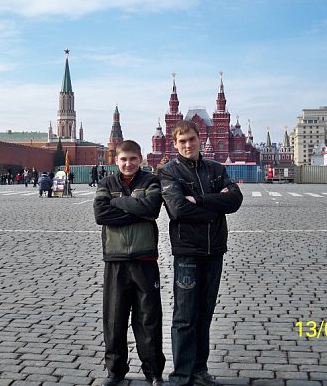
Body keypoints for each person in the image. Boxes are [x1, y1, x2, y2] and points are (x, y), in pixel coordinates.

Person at [159, 121, 243, 386]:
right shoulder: (169, 172)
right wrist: (216, 207)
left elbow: (235, 200)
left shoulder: (216, 169)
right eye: (182, 141)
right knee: (185, 316)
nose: (188, 145)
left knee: (205, 313)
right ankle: (181, 376)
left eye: (192, 139)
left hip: (214, 251)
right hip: (188, 252)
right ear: (175, 144)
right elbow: (178, 210)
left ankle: (199, 370)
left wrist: (201, 200)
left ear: (199, 139)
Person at [93, 140, 166, 386]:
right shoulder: (106, 183)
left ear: (140, 158)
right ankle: (115, 371)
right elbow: (101, 215)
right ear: (116, 160)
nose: (128, 163)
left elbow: (152, 209)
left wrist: (117, 203)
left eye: (133, 159)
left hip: (145, 258)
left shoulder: (151, 181)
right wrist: (137, 210)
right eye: (123, 159)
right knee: (114, 319)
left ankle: (153, 371)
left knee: (149, 319)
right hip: (115, 259)